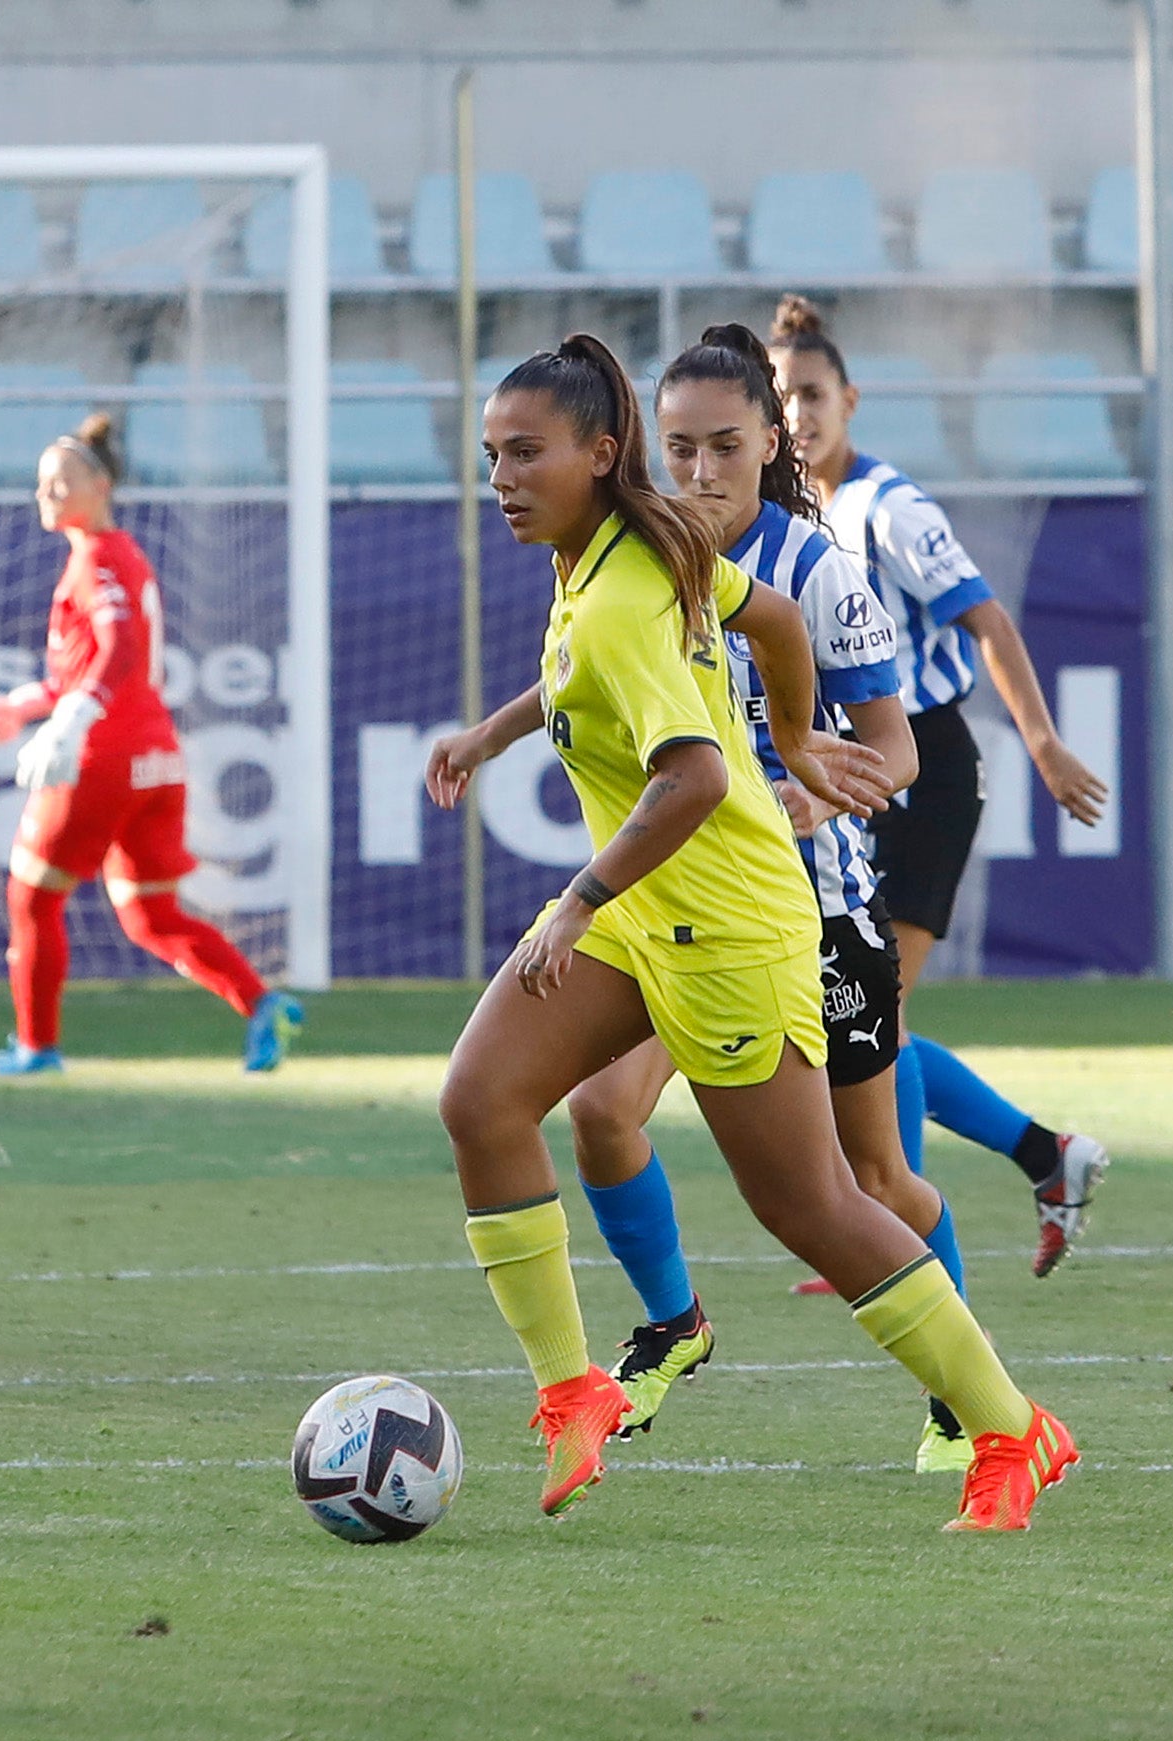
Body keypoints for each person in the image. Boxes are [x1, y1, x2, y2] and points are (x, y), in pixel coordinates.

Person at [425, 331, 1077, 1531]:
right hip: (653, 912)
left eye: (525, 456)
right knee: (483, 1101)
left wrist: (580, 900)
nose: (503, 479)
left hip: (725, 923)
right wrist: (778, 718)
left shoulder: (627, 591)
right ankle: (574, 1388)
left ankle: (1009, 1427)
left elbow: (695, 783)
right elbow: (766, 621)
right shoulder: (634, 545)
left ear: (594, 455)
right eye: (491, 456)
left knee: (819, 1204)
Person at [564, 323, 974, 1472]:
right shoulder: (640, 556)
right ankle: (672, 1326)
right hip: (676, 907)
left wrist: (809, 799)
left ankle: (960, 1389)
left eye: (724, 450)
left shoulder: (821, 571)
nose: (698, 474)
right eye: (679, 449)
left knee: (871, 1181)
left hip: (817, 916)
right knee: (600, 1112)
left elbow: (896, 753)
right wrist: (492, 736)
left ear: (768, 446)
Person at [769, 295, 1110, 1278]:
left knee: (877, 1014)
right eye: (784, 396)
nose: (800, 414)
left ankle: (887, 1212)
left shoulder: (889, 508)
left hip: (920, 767)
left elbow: (987, 622)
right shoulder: (801, 513)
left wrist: (1041, 742)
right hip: (856, 766)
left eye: (815, 394)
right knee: (870, 1015)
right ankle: (1041, 1157)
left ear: (851, 399)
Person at [0, 413, 302, 1078]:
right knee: (150, 914)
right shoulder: (113, 556)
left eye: (60, 483)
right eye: (41, 485)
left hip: (103, 758)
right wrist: (24, 707)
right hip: (155, 758)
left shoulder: (97, 557)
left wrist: (70, 721)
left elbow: (121, 651)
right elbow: (87, 669)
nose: (46, 496)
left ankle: (35, 1047)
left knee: (33, 899)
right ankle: (263, 1003)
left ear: (99, 486)